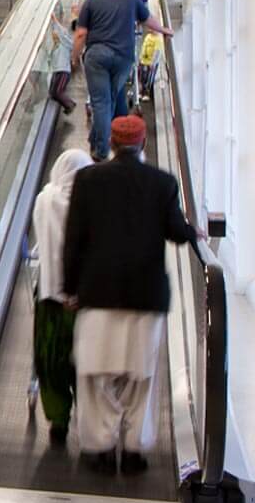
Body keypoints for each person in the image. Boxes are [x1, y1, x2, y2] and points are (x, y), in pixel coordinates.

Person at [61, 116, 197, 473]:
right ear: (143, 142)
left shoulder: (88, 180)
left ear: (113, 143)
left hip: (98, 293)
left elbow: (73, 240)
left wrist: (70, 288)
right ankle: (135, 448)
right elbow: (178, 232)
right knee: (142, 378)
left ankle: (100, 447)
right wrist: (194, 230)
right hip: (145, 295)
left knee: (94, 377)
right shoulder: (162, 182)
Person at [72, 0, 173, 160]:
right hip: (123, 57)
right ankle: (102, 139)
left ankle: (101, 150)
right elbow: (147, 20)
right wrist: (163, 30)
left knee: (101, 101)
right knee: (112, 95)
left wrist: (74, 57)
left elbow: (81, 33)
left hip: (97, 55)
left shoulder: (92, 0)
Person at [32, 147, 92, 447]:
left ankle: (58, 420)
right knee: (86, 362)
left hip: (50, 297)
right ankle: (89, 419)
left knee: (51, 361)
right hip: (86, 301)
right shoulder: (95, 203)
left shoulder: (45, 200)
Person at [48, 9, 78, 114]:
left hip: (63, 72)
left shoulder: (65, 43)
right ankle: (69, 105)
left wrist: (54, 20)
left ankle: (70, 104)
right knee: (52, 92)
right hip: (57, 72)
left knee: (57, 92)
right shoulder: (55, 47)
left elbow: (62, 33)